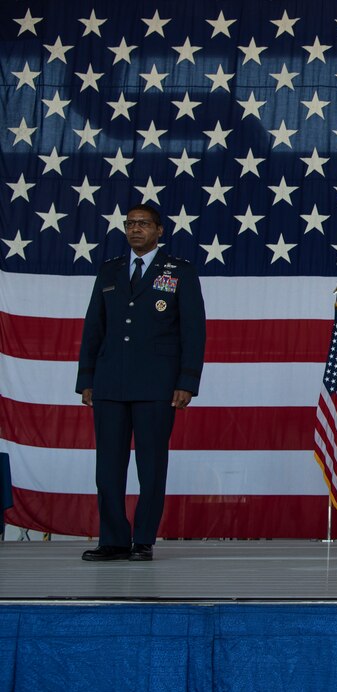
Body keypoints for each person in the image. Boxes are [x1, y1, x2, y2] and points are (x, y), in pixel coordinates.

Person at [76, 204, 206, 562]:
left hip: (157, 385)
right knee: (108, 468)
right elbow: (93, 329)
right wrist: (86, 378)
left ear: (159, 230)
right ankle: (114, 539)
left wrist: (187, 382)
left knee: (151, 466)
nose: (135, 230)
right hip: (110, 384)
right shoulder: (110, 271)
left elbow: (193, 332)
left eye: (144, 224)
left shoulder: (180, 272)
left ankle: (143, 538)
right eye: (130, 224)